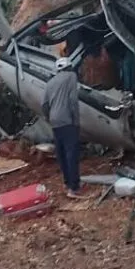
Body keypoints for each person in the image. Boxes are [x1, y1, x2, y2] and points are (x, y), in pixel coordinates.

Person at [42, 57, 86, 198]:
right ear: (69, 67)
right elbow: (73, 100)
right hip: (67, 120)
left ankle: (68, 183)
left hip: (55, 121)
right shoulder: (71, 77)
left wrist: (48, 118)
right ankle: (74, 188)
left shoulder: (50, 82)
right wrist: (76, 121)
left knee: (61, 154)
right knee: (71, 154)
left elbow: (44, 105)